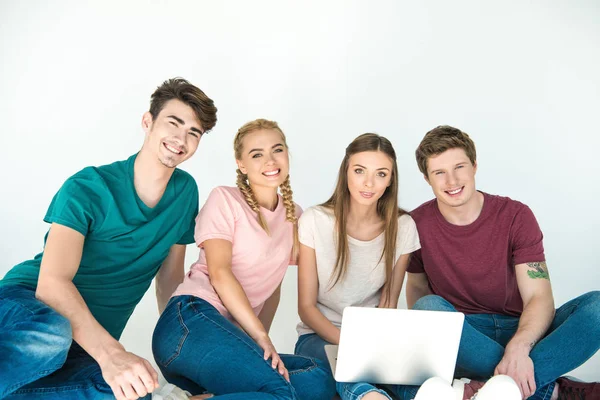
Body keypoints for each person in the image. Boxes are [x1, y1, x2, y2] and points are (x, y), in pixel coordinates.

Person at [0, 77, 218, 400]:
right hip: (27, 310)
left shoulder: (185, 193)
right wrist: (111, 355)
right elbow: (51, 284)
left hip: (84, 344)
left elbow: (169, 280)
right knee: (53, 334)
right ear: (148, 122)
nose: (181, 138)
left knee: (131, 392)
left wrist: (185, 350)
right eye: (173, 123)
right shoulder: (88, 187)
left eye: (193, 132)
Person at [405, 125, 600, 400]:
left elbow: (539, 296)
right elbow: (417, 290)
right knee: (427, 308)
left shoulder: (516, 216)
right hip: (465, 337)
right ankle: (544, 389)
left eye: (459, 167)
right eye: (439, 172)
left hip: (522, 327)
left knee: (598, 308)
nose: (451, 180)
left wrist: (519, 347)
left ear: (474, 166)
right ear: (427, 178)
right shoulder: (415, 224)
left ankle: (491, 388)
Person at [152, 119, 335, 400]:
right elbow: (220, 273)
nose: (270, 160)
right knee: (278, 391)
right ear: (241, 164)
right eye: (257, 154)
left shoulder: (294, 216)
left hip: (228, 341)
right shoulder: (225, 199)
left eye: (277, 150)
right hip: (189, 322)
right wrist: (259, 337)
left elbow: (272, 287)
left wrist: (259, 347)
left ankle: (201, 397)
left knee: (318, 378)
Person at [294, 133, 421, 400]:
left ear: (391, 180)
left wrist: (373, 347)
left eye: (381, 174)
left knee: (409, 377)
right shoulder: (315, 220)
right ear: (346, 172)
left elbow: (388, 303)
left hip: (373, 338)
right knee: (347, 368)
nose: (369, 183)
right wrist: (351, 343)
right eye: (360, 170)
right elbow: (306, 308)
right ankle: (368, 396)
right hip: (318, 336)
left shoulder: (403, 226)